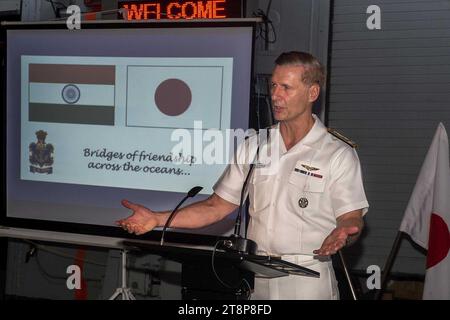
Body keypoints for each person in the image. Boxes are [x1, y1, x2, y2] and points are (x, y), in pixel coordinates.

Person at [116, 51, 369, 300]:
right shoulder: (255, 145)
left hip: (308, 280)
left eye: (286, 88)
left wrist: (345, 231)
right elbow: (216, 206)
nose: (275, 95)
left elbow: (351, 218)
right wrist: (157, 219)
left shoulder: (336, 153)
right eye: (273, 85)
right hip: (258, 277)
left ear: (312, 93)